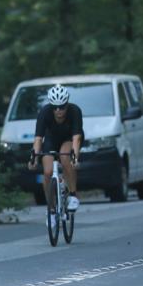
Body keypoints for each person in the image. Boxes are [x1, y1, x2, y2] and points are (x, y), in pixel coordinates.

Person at [27, 84, 83, 224]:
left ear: (67, 104)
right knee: (47, 172)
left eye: (62, 107)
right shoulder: (44, 112)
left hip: (69, 138)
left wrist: (75, 158)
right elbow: (38, 139)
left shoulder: (75, 111)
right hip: (51, 139)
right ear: (51, 106)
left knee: (65, 158)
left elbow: (76, 138)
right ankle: (51, 210)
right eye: (55, 107)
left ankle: (73, 195)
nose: (58, 111)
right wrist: (33, 158)